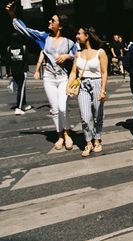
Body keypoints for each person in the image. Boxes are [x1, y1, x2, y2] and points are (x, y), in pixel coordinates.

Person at [6, 2, 77, 150]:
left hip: (64, 78)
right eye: (50, 20)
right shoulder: (44, 37)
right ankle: (60, 136)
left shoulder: (69, 42)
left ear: (60, 26)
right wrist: (12, 15)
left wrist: (68, 56)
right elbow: (26, 30)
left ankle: (67, 132)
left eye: (53, 20)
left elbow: (79, 53)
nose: (49, 22)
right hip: (49, 79)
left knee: (63, 107)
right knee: (55, 109)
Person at [66, 27, 108, 157]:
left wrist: (103, 90)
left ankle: (97, 139)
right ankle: (88, 141)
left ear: (87, 35)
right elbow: (74, 71)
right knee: (85, 116)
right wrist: (68, 86)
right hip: (83, 85)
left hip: (96, 83)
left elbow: (104, 72)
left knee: (97, 115)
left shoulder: (100, 52)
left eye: (79, 34)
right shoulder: (78, 53)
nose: (77, 36)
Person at [7, 32, 32, 115]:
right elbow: (27, 59)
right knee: (21, 90)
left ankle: (24, 104)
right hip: (22, 71)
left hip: (14, 72)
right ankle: (19, 107)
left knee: (21, 88)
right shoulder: (23, 47)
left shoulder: (9, 48)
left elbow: (7, 61)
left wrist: (8, 73)